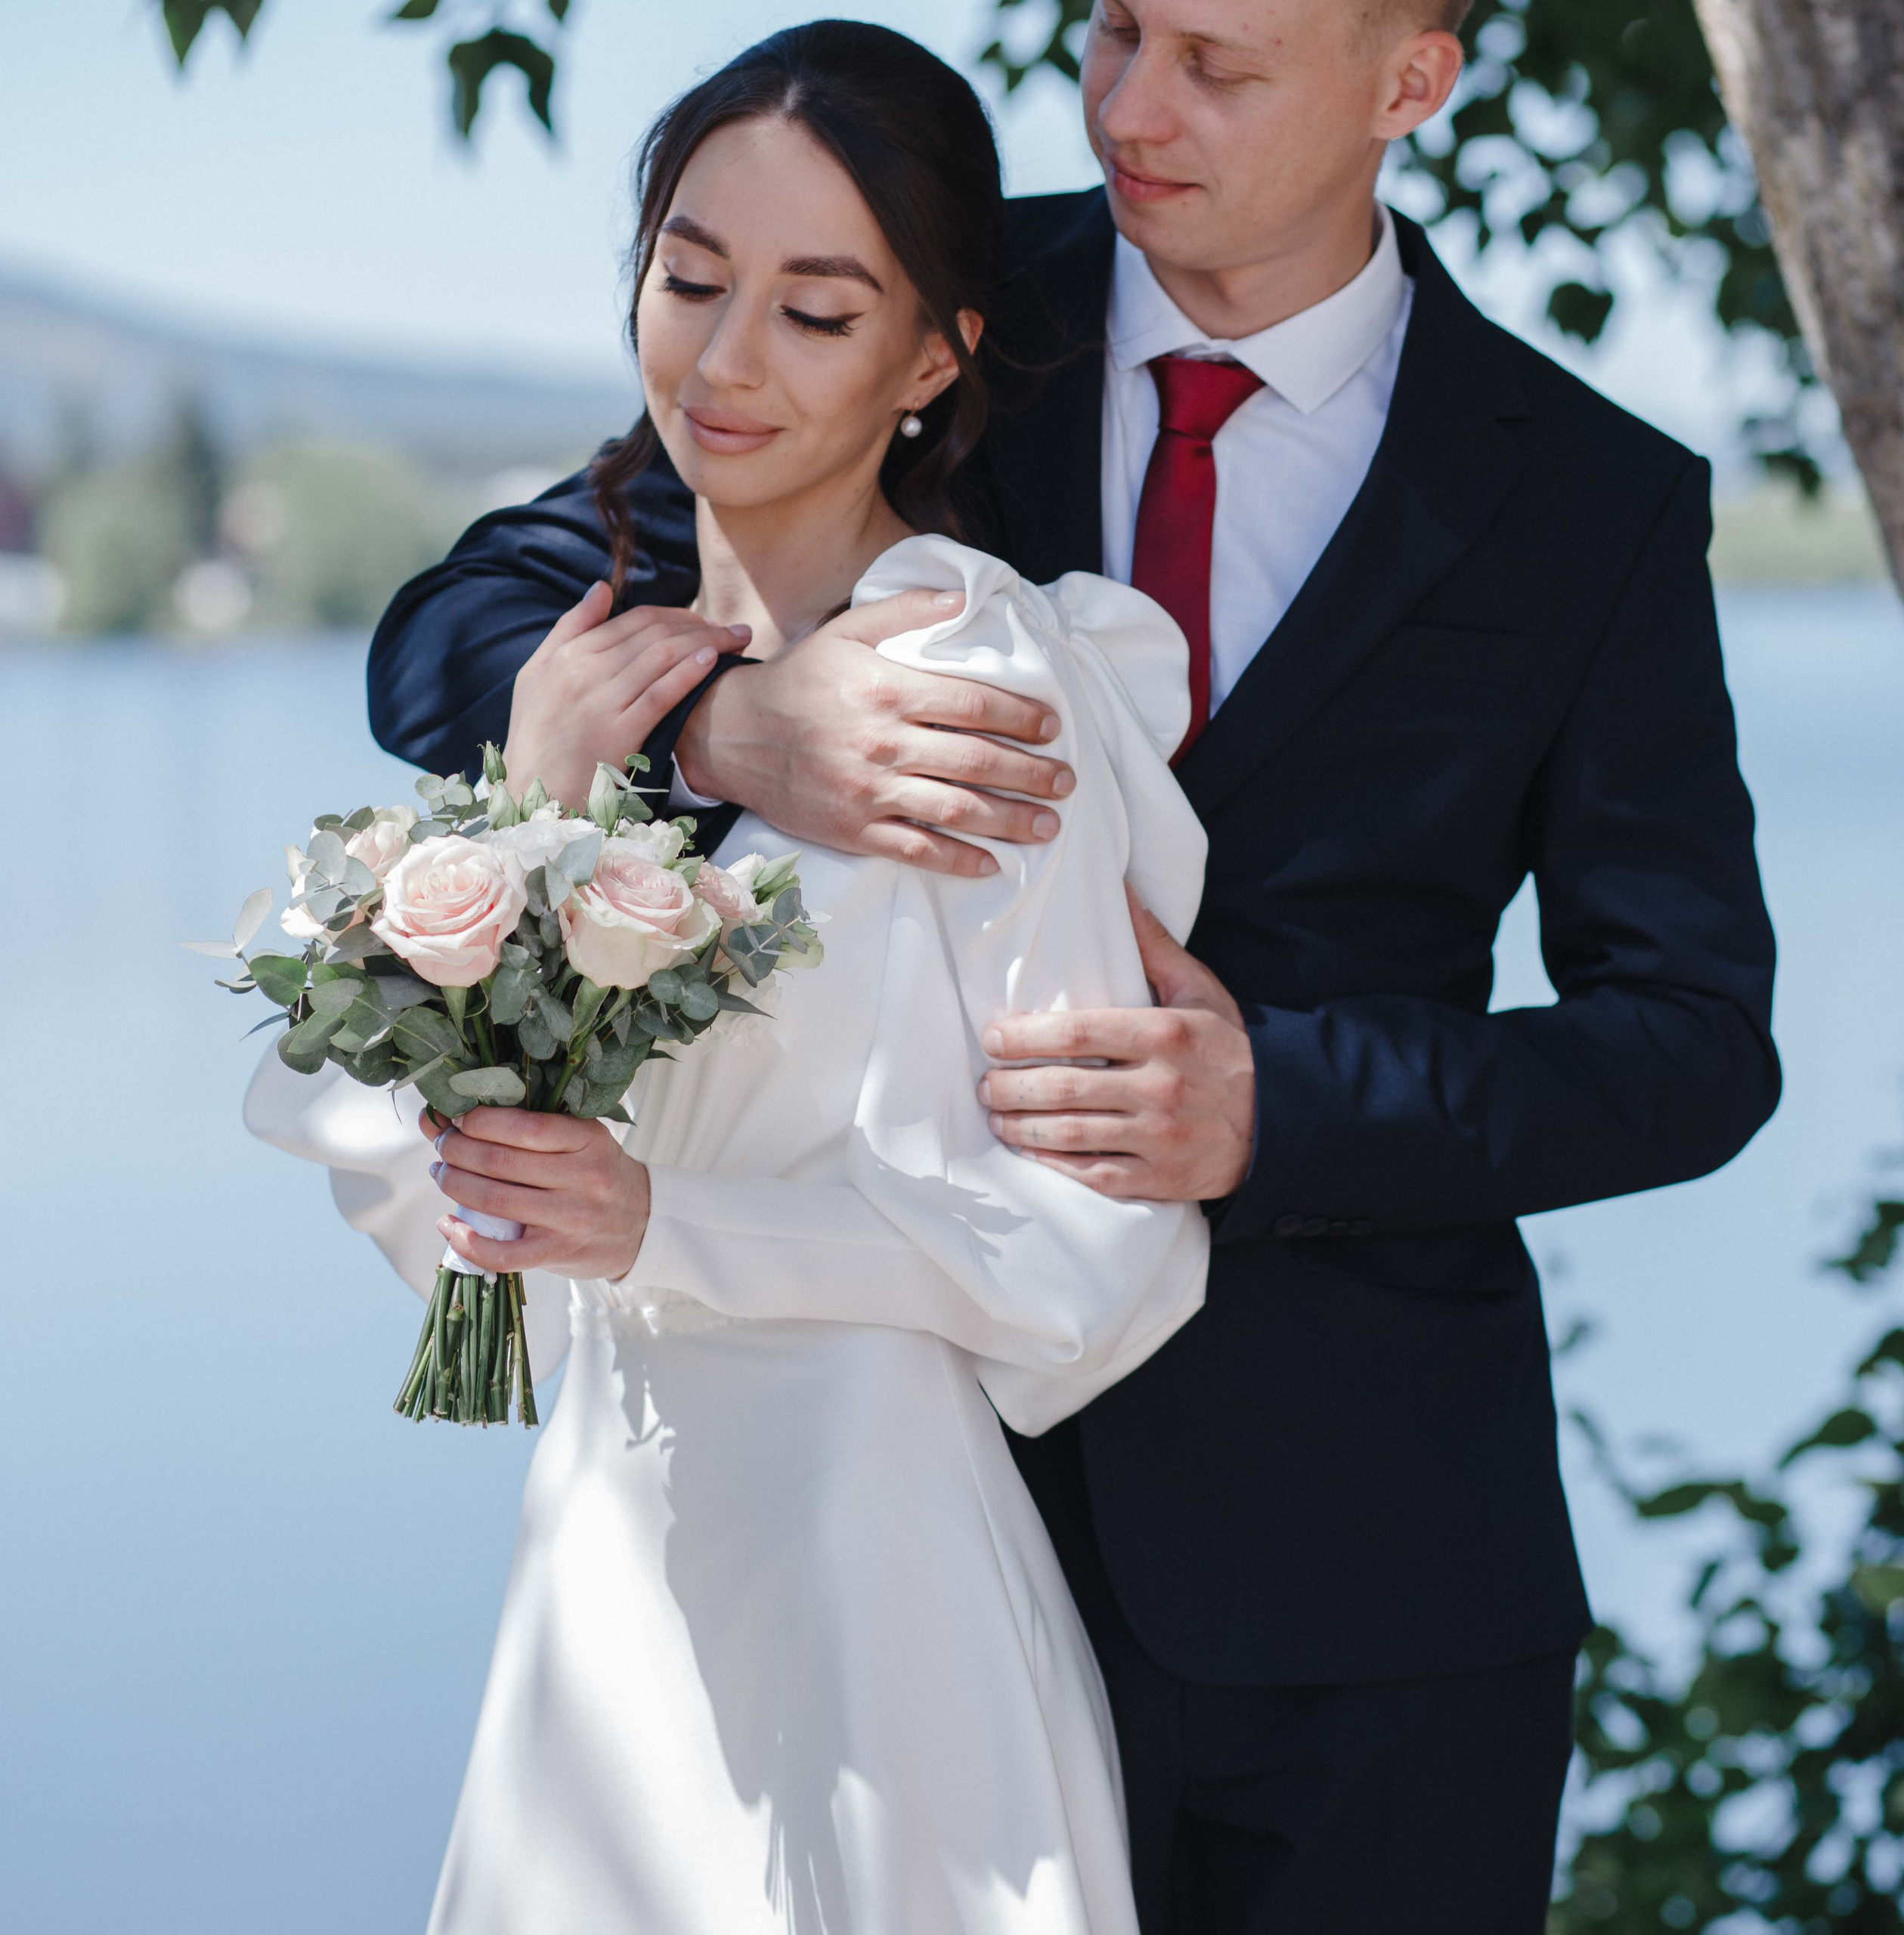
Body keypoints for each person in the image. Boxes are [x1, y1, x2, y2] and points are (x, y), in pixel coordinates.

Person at [367, 2, 1782, 1928]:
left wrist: (1283, 1100)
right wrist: (733, 728)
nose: (1128, 105)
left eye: (1216, 61)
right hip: (896, 1565)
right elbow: (455, 627)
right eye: (1115, 28)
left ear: (1407, 84)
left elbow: (1689, 1044)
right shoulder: (914, 285)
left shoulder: (1588, 498)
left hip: (1366, 1587)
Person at [255, 21, 1220, 1933]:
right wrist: (523, 816)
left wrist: (667, 1221)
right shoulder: (593, 674)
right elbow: (427, 1195)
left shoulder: (974, 684)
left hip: (877, 1590)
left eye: (813, 309)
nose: (724, 360)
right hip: (608, 1564)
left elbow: (1090, 1254)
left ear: (934, 356)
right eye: (691, 280)